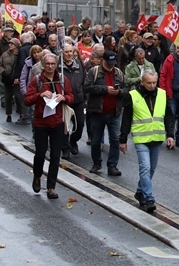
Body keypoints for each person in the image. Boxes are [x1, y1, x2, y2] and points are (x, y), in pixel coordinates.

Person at [120, 70, 175, 213]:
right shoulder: (133, 96)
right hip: (141, 138)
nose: (151, 85)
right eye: (148, 83)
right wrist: (123, 139)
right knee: (145, 167)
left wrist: (170, 135)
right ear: (142, 82)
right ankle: (149, 197)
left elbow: (169, 116)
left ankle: (140, 191)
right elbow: (126, 118)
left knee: (151, 169)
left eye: (154, 82)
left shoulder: (162, 94)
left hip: (157, 138)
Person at [25, 53, 74, 199]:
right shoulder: (37, 80)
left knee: (55, 156)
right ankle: (37, 175)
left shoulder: (62, 79)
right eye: (48, 64)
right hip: (41, 122)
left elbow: (72, 97)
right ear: (43, 65)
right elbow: (27, 100)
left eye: (53, 64)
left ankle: (51, 187)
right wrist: (39, 95)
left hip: (58, 122)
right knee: (40, 154)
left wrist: (64, 97)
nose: (50, 66)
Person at [84, 48, 126, 176]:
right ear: (103, 61)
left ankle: (112, 165)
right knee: (96, 140)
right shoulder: (94, 71)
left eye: (113, 63)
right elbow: (87, 87)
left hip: (114, 112)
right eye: (108, 63)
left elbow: (126, 88)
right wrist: (105, 89)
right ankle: (97, 163)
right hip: (98, 111)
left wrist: (119, 92)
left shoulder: (118, 73)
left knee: (114, 139)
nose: (111, 66)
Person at [60, 45, 88, 160]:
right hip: (64, 100)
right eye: (66, 52)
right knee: (64, 125)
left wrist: (85, 96)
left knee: (80, 123)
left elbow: (84, 80)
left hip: (78, 99)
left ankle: (73, 140)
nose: (69, 54)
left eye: (71, 51)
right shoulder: (58, 65)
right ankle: (65, 148)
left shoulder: (78, 64)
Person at [0, 38, 24, 122]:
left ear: (16, 45)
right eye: (9, 44)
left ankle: (21, 113)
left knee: (17, 96)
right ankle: (9, 114)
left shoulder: (19, 54)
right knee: (8, 97)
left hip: (16, 79)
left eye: (12, 44)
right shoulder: (5, 54)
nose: (10, 45)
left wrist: (19, 77)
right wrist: (3, 71)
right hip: (7, 78)